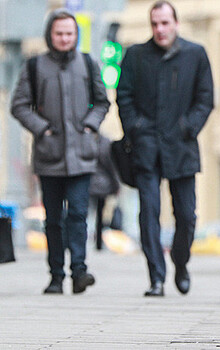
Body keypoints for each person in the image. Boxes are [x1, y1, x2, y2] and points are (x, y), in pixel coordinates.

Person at [116, 0, 214, 297]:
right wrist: (136, 128)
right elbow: (124, 96)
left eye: (165, 23)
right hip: (146, 148)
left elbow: (205, 98)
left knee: (186, 215)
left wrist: (188, 127)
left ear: (176, 23)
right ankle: (156, 277)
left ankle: (180, 262)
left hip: (182, 147)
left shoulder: (195, 54)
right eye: (155, 24)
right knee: (149, 213)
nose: (160, 29)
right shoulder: (135, 55)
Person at [10, 9, 109, 294]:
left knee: (77, 214)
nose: (65, 38)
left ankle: (79, 270)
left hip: (82, 156)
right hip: (49, 156)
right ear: (50, 36)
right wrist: (42, 129)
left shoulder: (88, 65)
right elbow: (19, 105)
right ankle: (56, 275)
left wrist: (90, 126)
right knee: (53, 218)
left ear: (76, 36)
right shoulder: (35, 67)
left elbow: (102, 102)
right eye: (59, 33)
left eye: (69, 33)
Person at [89, 134, 120, 250]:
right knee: (99, 214)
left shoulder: (84, 139)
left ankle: (89, 241)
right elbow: (112, 167)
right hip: (103, 184)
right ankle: (98, 243)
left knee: (87, 213)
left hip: (88, 183)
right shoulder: (105, 142)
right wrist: (116, 185)